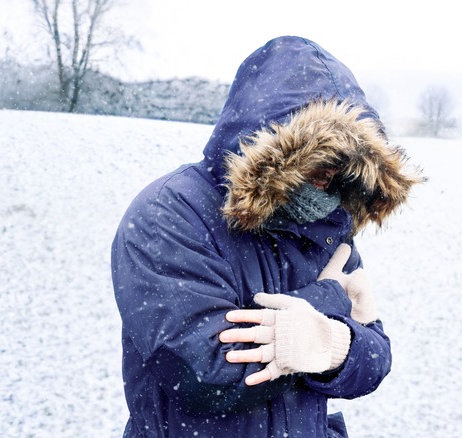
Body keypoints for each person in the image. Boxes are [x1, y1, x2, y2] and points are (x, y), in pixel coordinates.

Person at [111, 35, 424, 437]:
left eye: (345, 160)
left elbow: (376, 359)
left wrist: (332, 345)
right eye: (320, 153)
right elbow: (204, 373)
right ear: (275, 144)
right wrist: (328, 301)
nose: (331, 172)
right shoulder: (169, 213)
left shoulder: (328, 225)